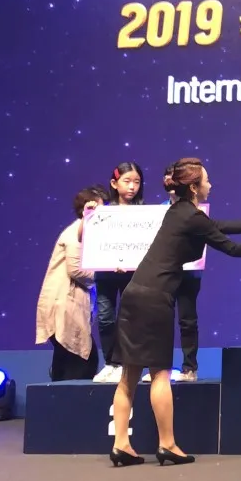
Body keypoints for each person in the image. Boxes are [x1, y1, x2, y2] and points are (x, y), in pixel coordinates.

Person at [109, 157, 241, 467]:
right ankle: (167, 445)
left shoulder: (178, 211)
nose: (210, 185)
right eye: (206, 180)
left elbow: (213, 226)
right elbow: (229, 247)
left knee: (129, 375)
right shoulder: (190, 216)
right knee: (160, 374)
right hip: (154, 299)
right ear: (194, 187)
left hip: (135, 293)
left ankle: (121, 445)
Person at [35, 185, 108, 382]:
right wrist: (106, 274)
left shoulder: (85, 232)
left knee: (67, 357)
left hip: (67, 304)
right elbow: (75, 269)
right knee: (82, 359)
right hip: (65, 304)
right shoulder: (77, 232)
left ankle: (56, 398)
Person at [141, 164, 202, 383]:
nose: (170, 182)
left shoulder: (196, 210)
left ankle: (189, 368)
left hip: (189, 272)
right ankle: (157, 368)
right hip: (164, 274)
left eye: (174, 178)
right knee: (158, 321)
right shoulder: (158, 211)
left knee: (188, 320)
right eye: (167, 178)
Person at [94, 162, 145, 384]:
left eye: (137, 182)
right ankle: (111, 363)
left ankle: (126, 364)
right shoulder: (102, 212)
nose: (132, 186)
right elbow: (88, 238)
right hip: (106, 273)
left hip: (132, 274)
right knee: (105, 318)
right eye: (127, 181)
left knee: (129, 319)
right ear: (114, 184)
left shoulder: (145, 214)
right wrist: (89, 213)